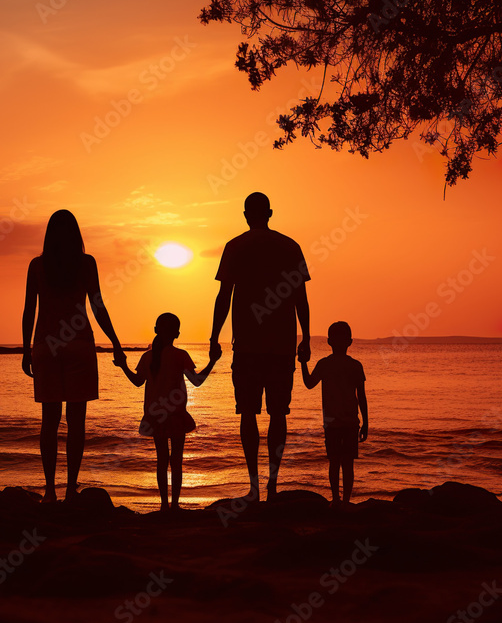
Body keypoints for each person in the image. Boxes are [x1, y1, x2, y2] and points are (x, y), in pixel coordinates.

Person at [210, 192, 311, 501]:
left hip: (248, 346)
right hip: (280, 345)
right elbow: (300, 300)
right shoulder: (290, 246)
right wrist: (305, 337)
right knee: (278, 414)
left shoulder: (235, 246)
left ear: (245, 214)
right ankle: (272, 485)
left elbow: (223, 297)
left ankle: (254, 485)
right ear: (270, 212)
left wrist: (214, 337)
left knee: (248, 414)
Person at [22, 210, 126, 502]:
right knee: (76, 422)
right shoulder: (86, 263)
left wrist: (26, 348)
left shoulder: (37, 266)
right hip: (79, 345)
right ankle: (70, 489)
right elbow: (98, 306)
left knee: (49, 421)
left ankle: (49, 491)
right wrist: (116, 342)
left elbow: (29, 309)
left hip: (46, 346)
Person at [114, 313, 220, 511]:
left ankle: (164, 505)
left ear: (156, 330)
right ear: (177, 333)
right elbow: (197, 381)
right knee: (176, 460)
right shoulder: (180, 355)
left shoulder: (147, 357)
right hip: (176, 415)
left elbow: (137, 382)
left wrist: (123, 367)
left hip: (156, 415)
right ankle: (175, 505)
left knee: (162, 460)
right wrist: (213, 362)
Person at [300, 321, 368, 506]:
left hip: (338, 423)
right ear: (350, 341)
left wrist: (303, 363)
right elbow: (361, 397)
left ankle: (338, 500)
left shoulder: (327, 364)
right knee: (345, 464)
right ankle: (343, 500)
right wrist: (366, 423)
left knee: (336, 462)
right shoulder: (353, 365)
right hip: (347, 423)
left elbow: (308, 383)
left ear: (330, 341)